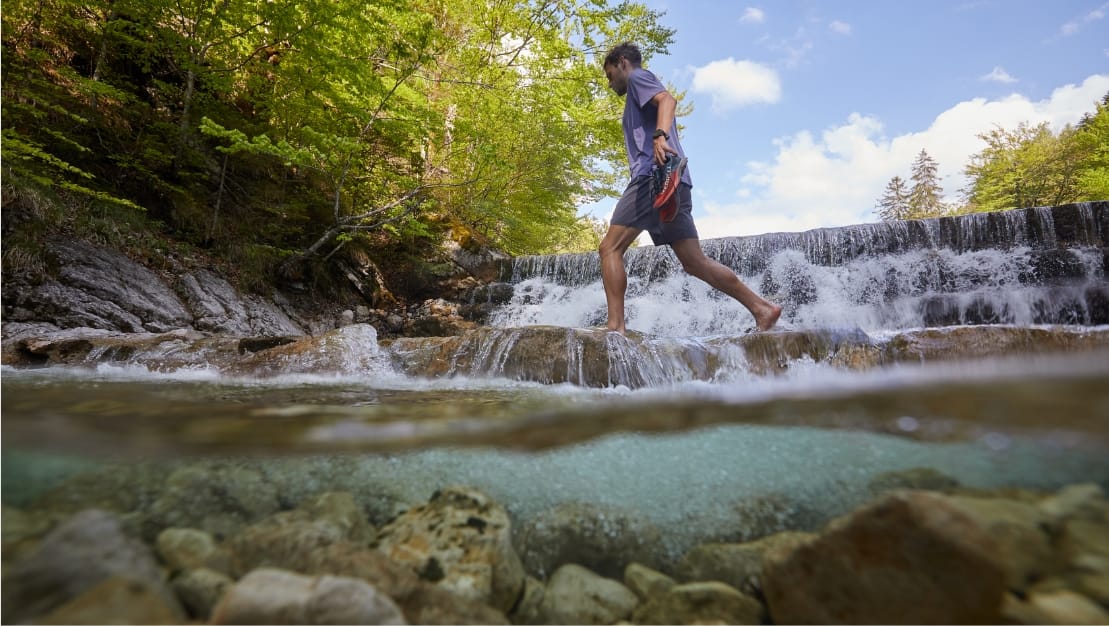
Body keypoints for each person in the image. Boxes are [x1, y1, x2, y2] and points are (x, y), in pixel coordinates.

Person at [599, 42, 782, 334]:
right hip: (675, 183)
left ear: (622, 62)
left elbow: (668, 100)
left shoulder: (637, 77)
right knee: (695, 262)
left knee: (610, 247)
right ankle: (762, 308)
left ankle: (615, 328)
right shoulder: (636, 91)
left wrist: (659, 136)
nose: (610, 84)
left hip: (652, 178)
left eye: (610, 75)